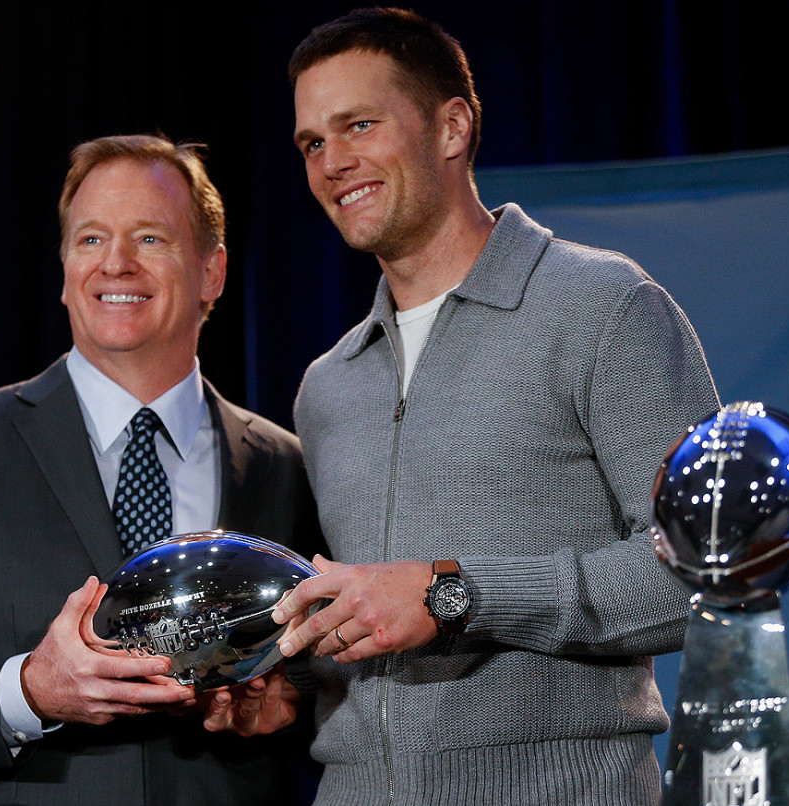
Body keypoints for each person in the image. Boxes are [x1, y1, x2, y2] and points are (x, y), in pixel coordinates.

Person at [266, 8, 720, 805]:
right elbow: (371, 641)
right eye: (311, 143)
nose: (333, 162)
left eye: (359, 125)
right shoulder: (328, 385)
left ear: (452, 127)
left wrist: (455, 595)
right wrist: (284, 682)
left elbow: (706, 570)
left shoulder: (603, 306)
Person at [0, 134, 321, 805]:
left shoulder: (286, 465)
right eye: (90, 239)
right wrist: (29, 690)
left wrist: (287, 703)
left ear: (212, 271)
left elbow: (323, 673)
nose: (115, 263)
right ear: (64, 271)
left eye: (149, 238)